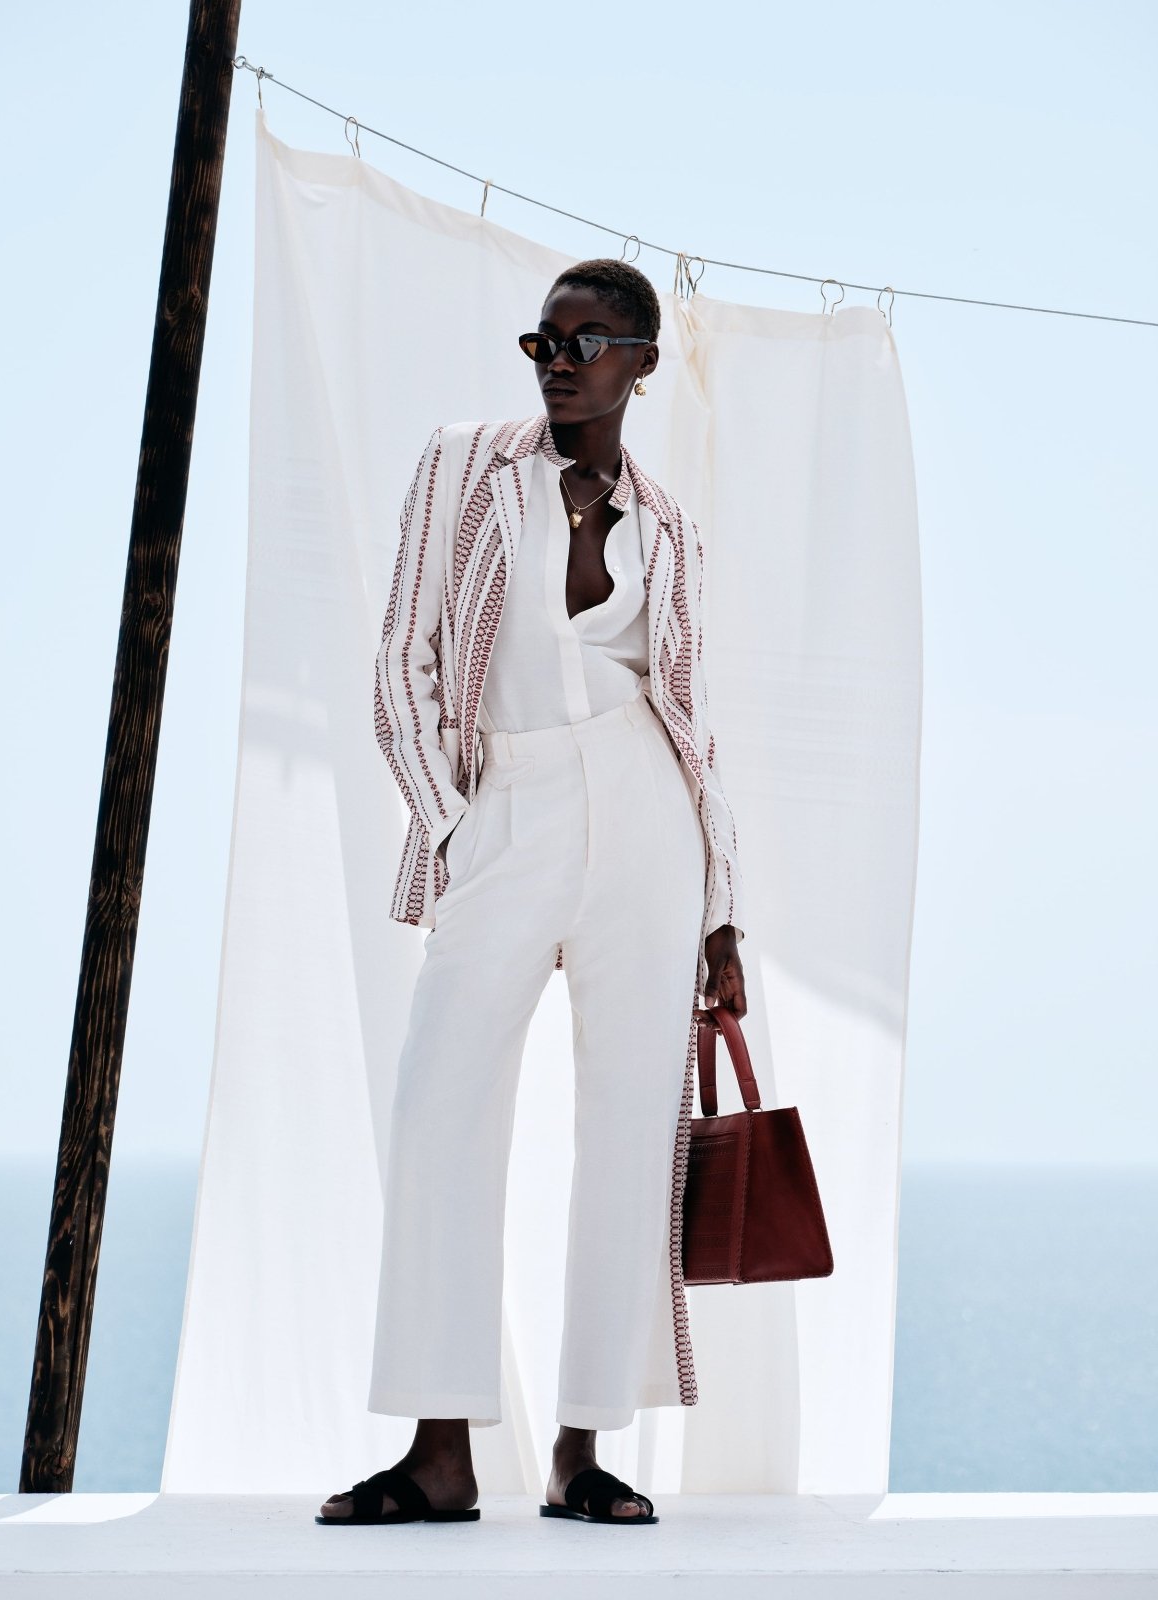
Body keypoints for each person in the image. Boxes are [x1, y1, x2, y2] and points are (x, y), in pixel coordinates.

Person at [318, 259, 748, 1529]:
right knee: (440, 1109)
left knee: (630, 1127)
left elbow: (692, 717)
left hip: (647, 820)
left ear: (643, 363)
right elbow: (401, 659)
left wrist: (723, 907)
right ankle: (438, 1451)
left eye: (588, 341)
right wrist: (456, 829)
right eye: (543, 342)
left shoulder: (668, 528)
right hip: (503, 805)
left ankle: (583, 1449)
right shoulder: (466, 465)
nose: (559, 361)